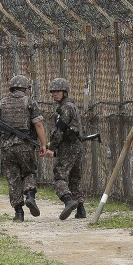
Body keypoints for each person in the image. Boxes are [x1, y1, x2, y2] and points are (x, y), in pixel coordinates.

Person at [0, 75, 48, 222]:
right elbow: (38, 124)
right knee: (29, 173)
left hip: (7, 148)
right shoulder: (30, 102)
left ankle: (19, 213)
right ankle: (30, 196)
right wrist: (44, 144)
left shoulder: (0, 104)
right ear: (25, 88)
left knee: (13, 179)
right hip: (26, 146)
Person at [48, 77, 85, 220]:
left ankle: (68, 201)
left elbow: (60, 129)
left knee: (59, 175)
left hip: (68, 146)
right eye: (53, 92)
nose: (54, 94)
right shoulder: (71, 106)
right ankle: (80, 209)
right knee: (75, 177)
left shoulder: (66, 107)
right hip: (76, 145)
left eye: (57, 91)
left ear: (65, 92)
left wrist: (52, 147)